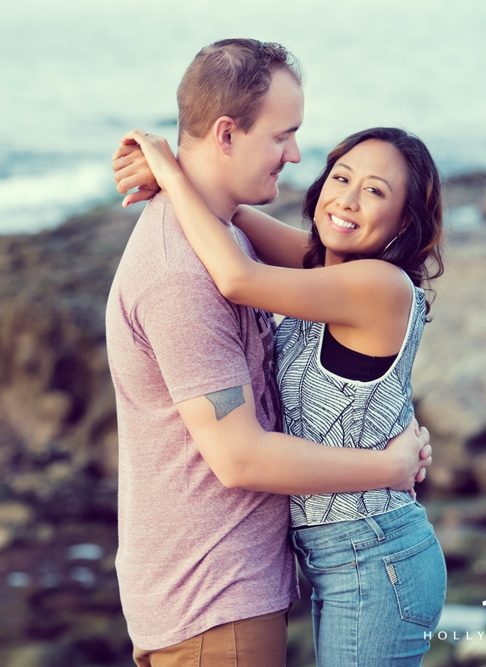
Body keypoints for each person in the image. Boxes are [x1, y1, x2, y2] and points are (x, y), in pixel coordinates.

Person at [105, 38, 432, 666]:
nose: (296, 155)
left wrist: (175, 174)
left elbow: (247, 271)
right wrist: (387, 466)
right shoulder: (184, 272)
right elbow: (240, 457)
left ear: (403, 221)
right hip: (213, 597)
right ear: (227, 134)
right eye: (284, 135)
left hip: (301, 572)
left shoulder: (257, 251)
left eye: (376, 192)